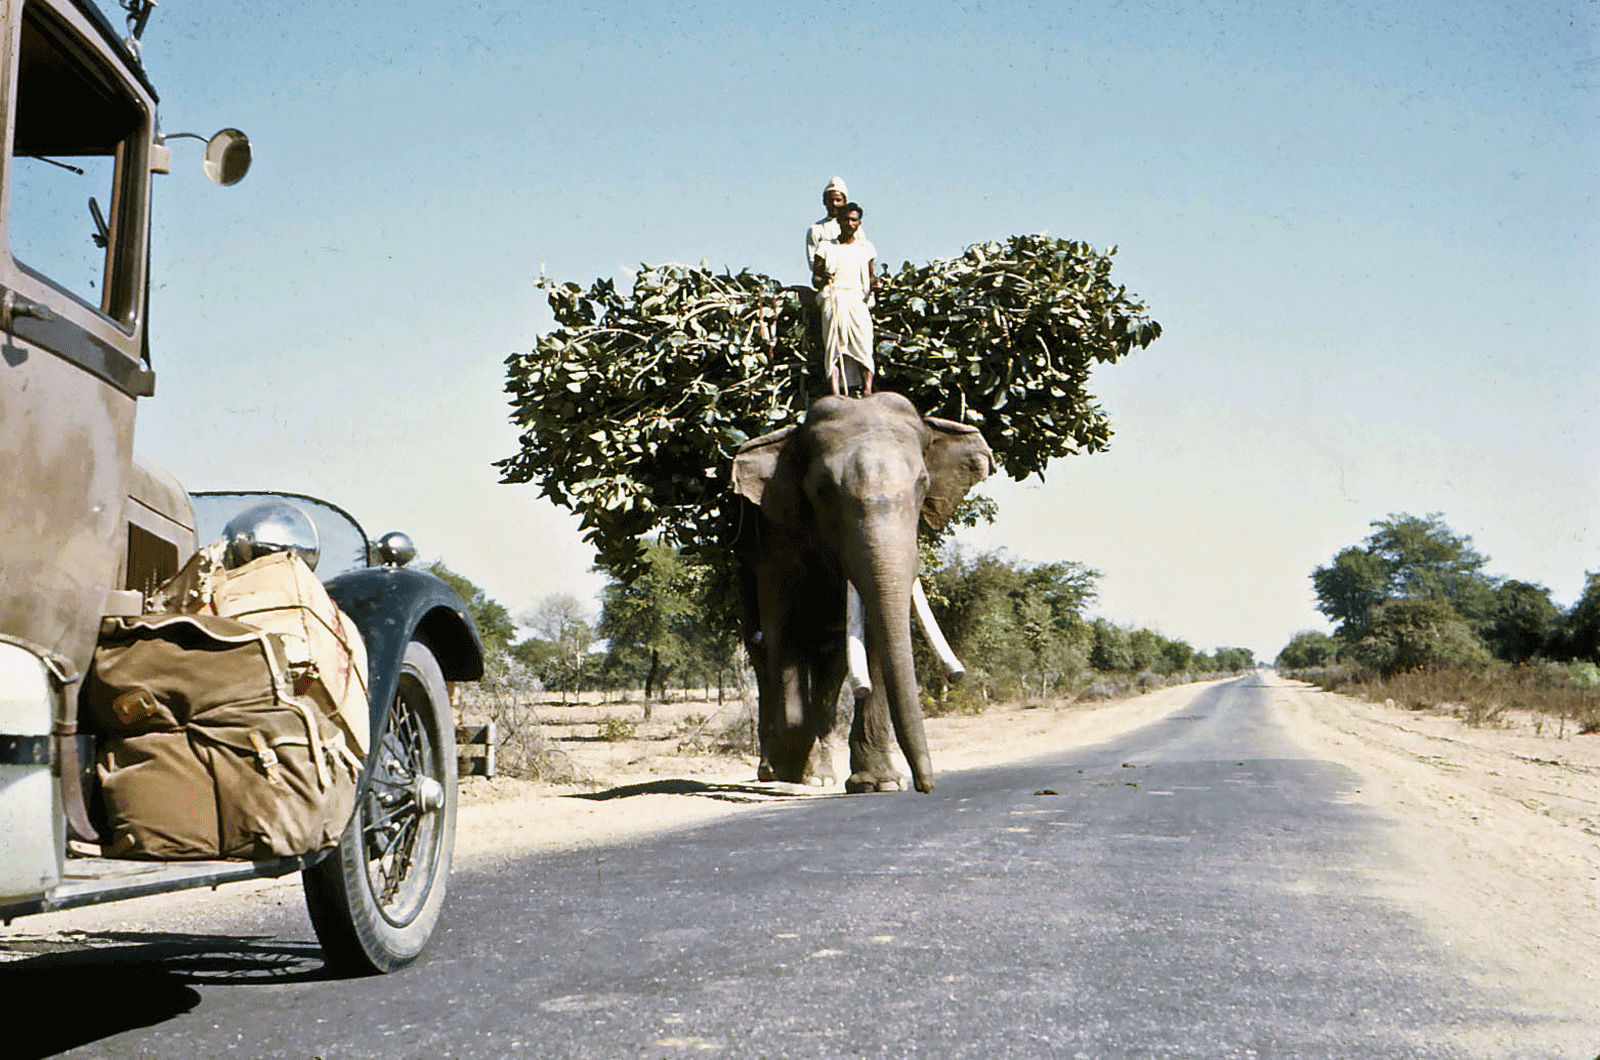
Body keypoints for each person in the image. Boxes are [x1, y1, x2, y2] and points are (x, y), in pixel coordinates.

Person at [811, 201, 878, 396]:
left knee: (864, 344)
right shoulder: (825, 247)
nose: (849, 223)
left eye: (854, 220)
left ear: (859, 223)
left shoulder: (866, 248)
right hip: (833, 298)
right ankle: (836, 392)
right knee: (834, 345)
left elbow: (871, 276)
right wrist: (824, 277)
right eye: (846, 219)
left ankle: (866, 389)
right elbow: (815, 279)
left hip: (857, 299)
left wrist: (875, 284)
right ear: (839, 222)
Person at [805, 176, 849, 270]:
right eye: (830, 200)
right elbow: (813, 261)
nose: (834, 204)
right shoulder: (816, 229)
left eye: (838, 200)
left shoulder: (852, 228)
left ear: (844, 202)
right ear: (825, 202)